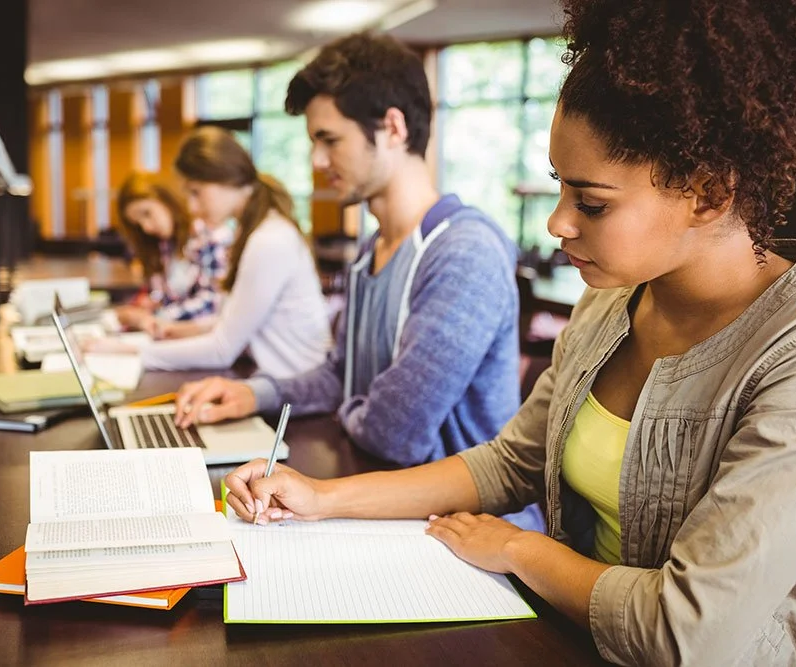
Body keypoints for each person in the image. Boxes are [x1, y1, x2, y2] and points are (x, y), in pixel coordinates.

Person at [218, 2, 796, 665]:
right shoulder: (611, 303)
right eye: (559, 189)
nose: (558, 223)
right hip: (561, 634)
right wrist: (320, 496)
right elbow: (509, 462)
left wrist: (518, 548)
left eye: (592, 203)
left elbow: (689, 631)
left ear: (710, 193)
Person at [175, 33, 536, 526]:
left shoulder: (462, 252)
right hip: (389, 508)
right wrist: (252, 394)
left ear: (392, 128)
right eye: (313, 143)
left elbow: (395, 432)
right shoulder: (372, 250)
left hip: (467, 535)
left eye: (329, 140)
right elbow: (339, 377)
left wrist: (351, 404)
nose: (317, 162)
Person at [95, 127, 332, 378]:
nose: (192, 207)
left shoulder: (269, 240)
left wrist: (128, 351)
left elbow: (221, 350)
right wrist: (180, 330)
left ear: (225, 177)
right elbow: (235, 323)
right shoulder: (254, 232)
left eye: (196, 192)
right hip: (274, 380)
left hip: (296, 392)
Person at [111, 172, 232, 335]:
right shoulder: (165, 245)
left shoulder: (211, 236)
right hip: (175, 339)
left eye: (147, 213)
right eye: (138, 224)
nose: (146, 227)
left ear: (167, 200)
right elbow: (172, 296)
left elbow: (212, 304)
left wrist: (153, 318)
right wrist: (149, 305)